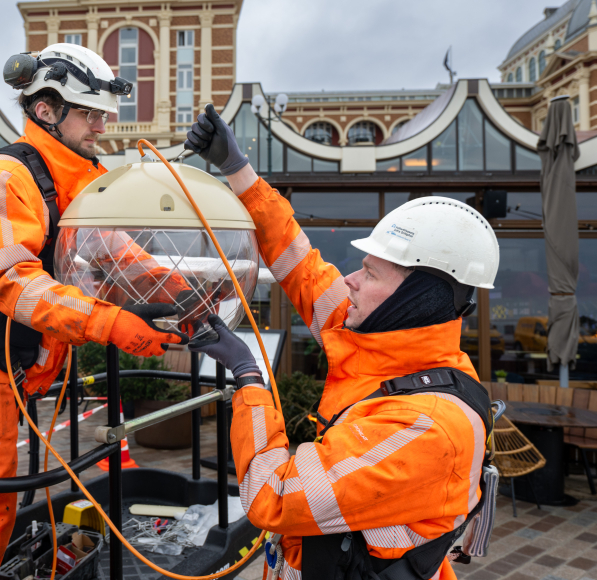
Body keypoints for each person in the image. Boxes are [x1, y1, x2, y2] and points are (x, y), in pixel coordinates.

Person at [184, 104, 499, 580]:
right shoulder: (383, 338)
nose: (349, 280)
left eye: (370, 272)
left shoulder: (427, 428)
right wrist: (237, 169)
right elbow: (300, 264)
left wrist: (249, 379)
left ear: (416, 298)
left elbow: (274, 496)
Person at [0, 44, 189, 580]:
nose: (101, 126)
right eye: (89, 114)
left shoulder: (76, 184)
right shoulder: (6, 179)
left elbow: (121, 258)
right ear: (46, 110)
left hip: (18, 361)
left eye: (102, 115)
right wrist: (110, 323)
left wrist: (193, 295)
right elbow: (15, 285)